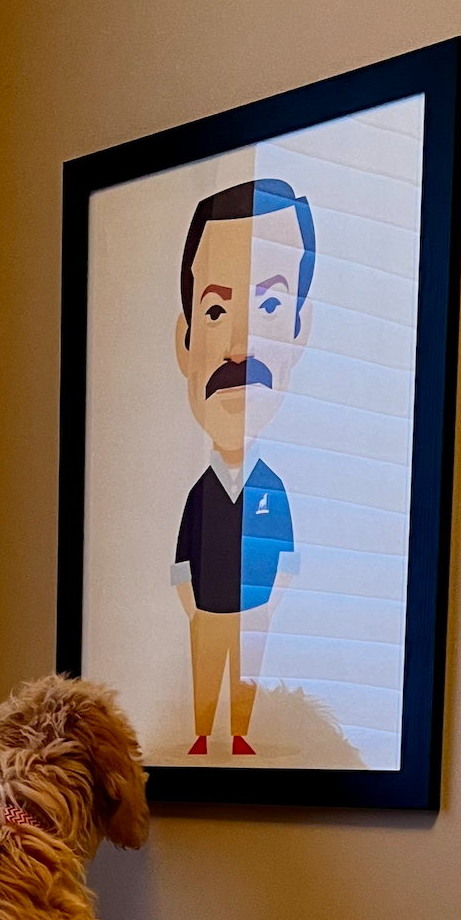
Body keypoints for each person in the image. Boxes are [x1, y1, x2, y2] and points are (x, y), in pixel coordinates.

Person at [171, 178, 314, 755]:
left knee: (247, 670)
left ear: (300, 332)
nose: (237, 346)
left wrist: (271, 599)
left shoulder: (271, 487)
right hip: (206, 609)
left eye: (270, 305)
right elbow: (183, 557)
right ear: (184, 341)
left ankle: (240, 735)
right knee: (208, 672)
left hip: (253, 609)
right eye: (214, 309)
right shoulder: (200, 492)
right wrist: (192, 606)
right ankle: (204, 735)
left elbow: (289, 555)